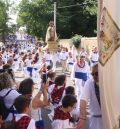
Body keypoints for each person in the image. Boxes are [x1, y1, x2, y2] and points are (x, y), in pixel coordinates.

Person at [76, 64, 103, 129]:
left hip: (110, 119)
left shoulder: (110, 81)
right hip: (96, 120)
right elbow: (83, 100)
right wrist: (82, 118)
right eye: (92, 74)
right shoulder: (90, 82)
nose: (94, 76)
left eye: (96, 74)